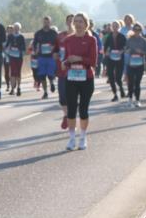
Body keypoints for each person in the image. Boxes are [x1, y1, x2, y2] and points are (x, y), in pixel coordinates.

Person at [60, 13, 98, 151]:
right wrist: (64, 63)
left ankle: (82, 137)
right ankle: (71, 138)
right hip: (71, 77)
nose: (77, 24)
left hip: (86, 77)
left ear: (86, 24)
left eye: (80, 21)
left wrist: (78, 58)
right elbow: (64, 58)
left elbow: (93, 61)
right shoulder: (68, 40)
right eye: (75, 21)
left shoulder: (91, 40)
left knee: (83, 109)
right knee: (71, 109)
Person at [56, 14, 75, 130]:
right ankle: (66, 115)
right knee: (62, 97)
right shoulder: (60, 36)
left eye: (73, 21)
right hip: (62, 70)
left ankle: (71, 118)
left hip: (76, 71)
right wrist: (55, 54)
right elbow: (56, 50)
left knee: (73, 97)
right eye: (69, 21)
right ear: (66, 22)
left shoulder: (80, 36)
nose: (71, 23)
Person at [33, 16, 59, 99]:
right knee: (42, 76)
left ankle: (51, 83)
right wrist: (35, 50)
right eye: (44, 22)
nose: (46, 24)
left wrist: (54, 48)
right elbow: (34, 44)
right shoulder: (38, 33)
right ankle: (45, 92)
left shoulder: (54, 33)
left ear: (50, 23)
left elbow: (58, 44)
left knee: (50, 74)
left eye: (47, 22)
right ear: (42, 23)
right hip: (41, 57)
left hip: (51, 57)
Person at [125, 24, 146, 108]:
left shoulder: (144, 40)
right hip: (131, 64)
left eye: (138, 30)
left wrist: (141, 51)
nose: (137, 31)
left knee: (137, 83)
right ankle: (130, 99)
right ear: (133, 30)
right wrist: (128, 51)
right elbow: (125, 50)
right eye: (135, 29)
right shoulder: (129, 40)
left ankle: (137, 100)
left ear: (141, 31)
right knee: (130, 83)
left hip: (140, 64)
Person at [104, 20, 128, 101]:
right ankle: (115, 95)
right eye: (113, 26)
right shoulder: (109, 36)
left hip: (119, 59)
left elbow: (126, 46)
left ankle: (121, 89)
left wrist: (121, 51)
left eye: (116, 26)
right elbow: (105, 47)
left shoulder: (122, 36)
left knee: (118, 78)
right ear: (111, 27)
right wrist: (106, 52)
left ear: (119, 27)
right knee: (111, 77)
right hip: (110, 58)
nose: (115, 28)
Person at [5, 23, 26, 96]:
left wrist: (21, 52)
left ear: (19, 29)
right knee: (12, 72)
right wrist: (7, 50)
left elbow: (24, 48)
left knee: (18, 72)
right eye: (15, 28)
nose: (16, 29)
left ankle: (19, 87)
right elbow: (7, 45)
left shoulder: (21, 37)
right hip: (12, 56)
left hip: (19, 57)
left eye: (17, 28)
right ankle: (12, 89)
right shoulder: (10, 36)